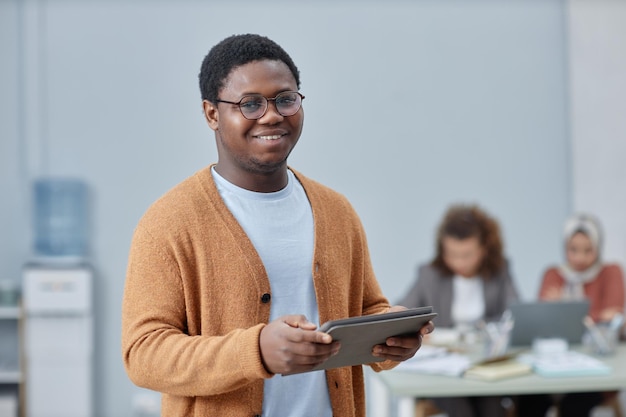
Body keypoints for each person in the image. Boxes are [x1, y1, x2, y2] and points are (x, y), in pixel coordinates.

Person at [120, 33, 433, 417]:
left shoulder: (337, 212)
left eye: (285, 99)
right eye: (250, 104)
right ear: (212, 114)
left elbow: (367, 308)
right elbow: (143, 352)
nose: (271, 115)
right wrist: (257, 351)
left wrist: (389, 336)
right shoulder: (169, 222)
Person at [398, 203, 520, 417]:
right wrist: (415, 330)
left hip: (483, 364)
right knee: (462, 409)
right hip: (443, 370)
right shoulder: (429, 275)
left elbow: (514, 315)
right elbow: (402, 311)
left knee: (492, 407)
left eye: (467, 255)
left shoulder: (500, 272)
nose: (459, 262)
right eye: (452, 254)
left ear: (484, 249)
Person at [518, 213, 626, 417]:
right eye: (573, 250)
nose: (580, 258)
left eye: (588, 250)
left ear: (598, 246)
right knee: (529, 400)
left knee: (574, 405)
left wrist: (565, 307)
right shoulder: (553, 273)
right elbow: (541, 320)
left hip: (599, 366)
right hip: (552, 363)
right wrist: (595, 314)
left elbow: (613, 317)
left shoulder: (611, 272)